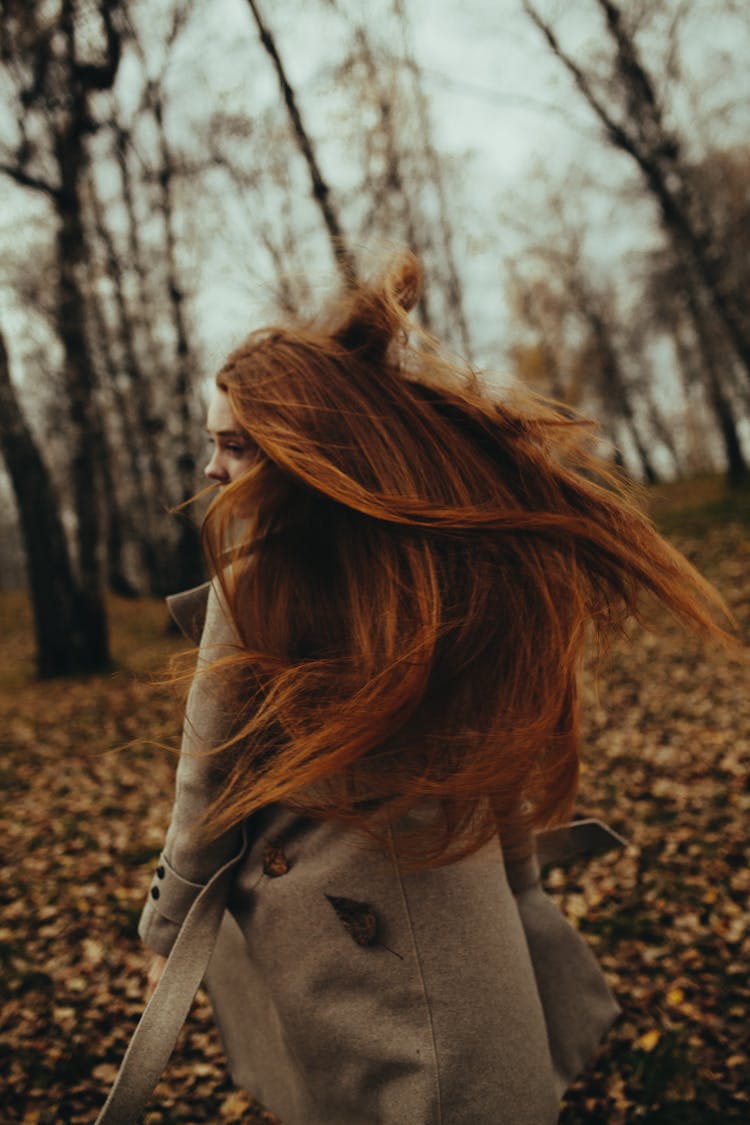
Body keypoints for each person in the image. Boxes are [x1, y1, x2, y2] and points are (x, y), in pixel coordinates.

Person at [96, 254, 727, 1125]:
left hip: (404, 909)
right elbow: (219, 783)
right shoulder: (384, 564)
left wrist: (164, 933)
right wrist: (518, 882)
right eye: (214, 442)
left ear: (299, 449)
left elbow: (213, 780)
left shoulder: (353, 570)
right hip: (381, 915)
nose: (211, 470)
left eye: (234, 444)